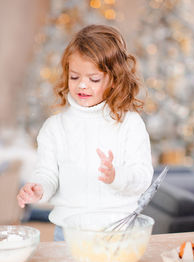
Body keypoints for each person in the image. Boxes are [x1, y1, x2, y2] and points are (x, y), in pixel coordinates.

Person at [17, 24, 153, 241]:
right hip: (69, 234)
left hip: (119, 232)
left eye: (94, 79)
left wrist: (116, 176)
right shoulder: (55, 128)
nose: (82, 85)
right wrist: (39, 188)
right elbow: (47, 173)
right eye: (74, 77)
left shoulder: (130, 124)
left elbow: (142, 177)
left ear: (114, 79)